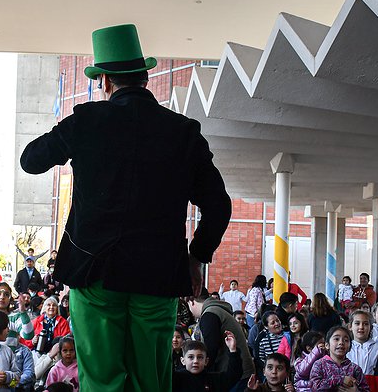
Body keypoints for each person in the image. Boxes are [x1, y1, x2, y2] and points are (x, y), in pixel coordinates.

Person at [19, 23, 232, 392]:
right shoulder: (183, 131)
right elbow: (219, 206)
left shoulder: (86, 121)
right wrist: (196, 257)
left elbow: (31, 160)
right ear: (146, 77)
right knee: (151, 379)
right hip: (158, 275)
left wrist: (74, 133)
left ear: (105, 81)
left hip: (94, 271)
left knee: (102, 380)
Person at [188, 289, 256, 384]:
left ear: (191, 302)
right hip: (241, 371)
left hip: (236, 375)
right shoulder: (217, 309)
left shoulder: (210, 314)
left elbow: (210, 349)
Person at [173, 335, 243, 391]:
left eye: (200, 357)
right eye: (191, 357)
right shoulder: (177, 378)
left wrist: (233, 350)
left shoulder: (213, 379)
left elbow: (233, 375)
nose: (195, 361)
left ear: (206, 361)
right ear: (183, 361)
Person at [347, 310, 378, 392]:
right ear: (350, 327)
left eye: (365, 324)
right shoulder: (346, 348)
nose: (361, 327)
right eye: (357, 323)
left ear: (371, 327)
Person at [309, 326, 368, 392]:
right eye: (336, 339)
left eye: (346, 340)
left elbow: (366, 389)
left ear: (350, 347)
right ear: (327, 345)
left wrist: (356, 391)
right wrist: (341, 379)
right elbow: (314, 387)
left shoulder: (355, 369)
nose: (341, 343)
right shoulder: (319, 365)